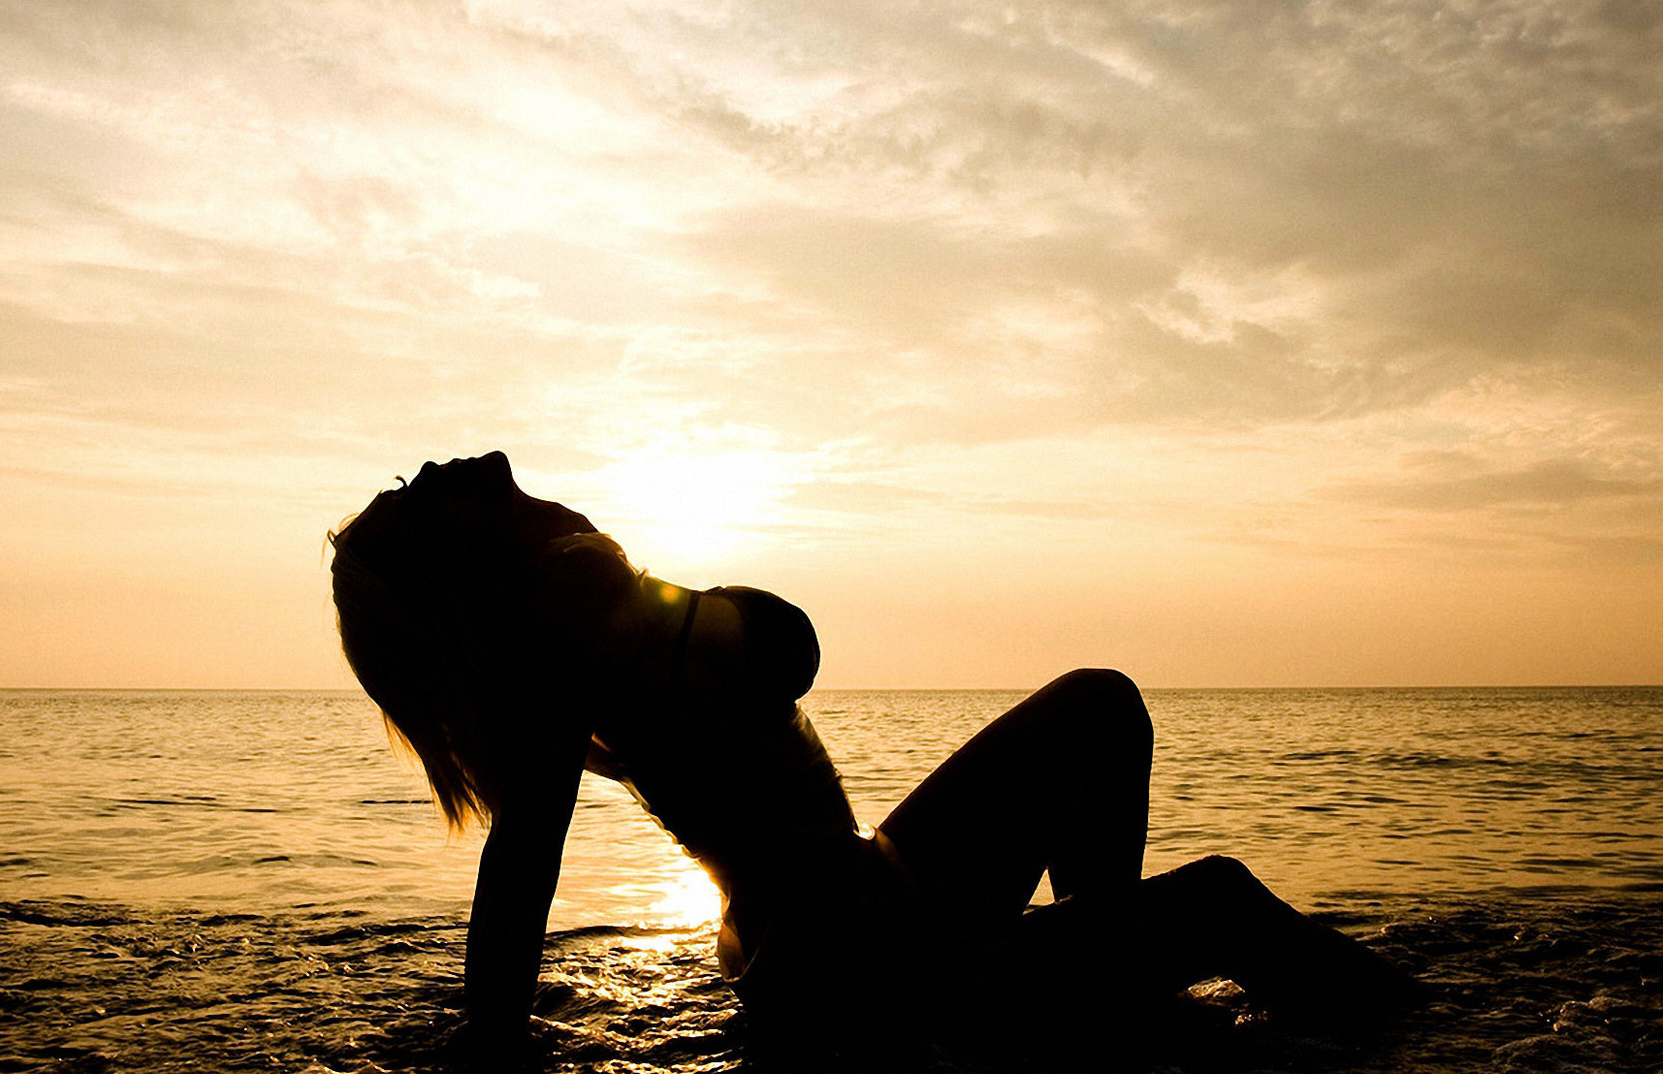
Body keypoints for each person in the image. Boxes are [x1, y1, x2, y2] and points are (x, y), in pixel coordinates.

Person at [330, 452, 1421, 1070]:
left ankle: (1102, 993)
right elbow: (786, 655)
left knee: (1096, 706)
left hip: (860, 912)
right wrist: (490, 1039)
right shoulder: (569, 598)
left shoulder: (566, 607)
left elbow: (536, 828)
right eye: (419, 490)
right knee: (1223, 902)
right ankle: (1411, 1032)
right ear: (460, 560)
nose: (441, 463)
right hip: (858, 960)